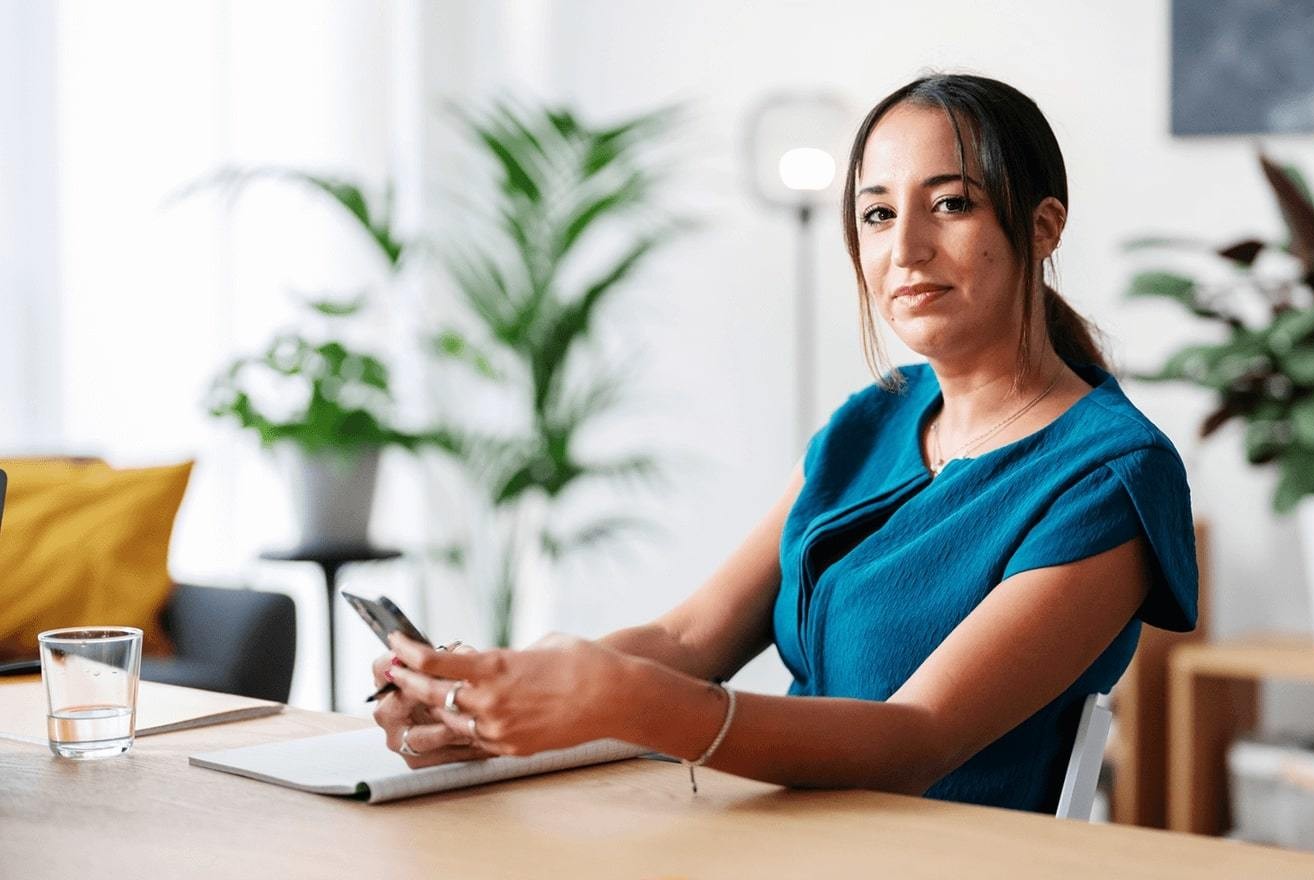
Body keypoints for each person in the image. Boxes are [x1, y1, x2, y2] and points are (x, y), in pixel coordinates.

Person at [371, 73, 1198, 814]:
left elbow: (914, 744)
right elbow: (690, 640)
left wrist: (623, 700)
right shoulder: (872, 421)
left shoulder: (1109, 476)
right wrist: (494, 694)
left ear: (1044, 226)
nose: (904, 249)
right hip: (779, 831)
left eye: (950, 204)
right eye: (877, 214)